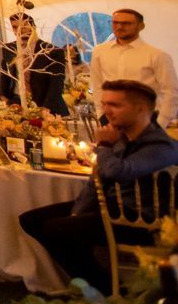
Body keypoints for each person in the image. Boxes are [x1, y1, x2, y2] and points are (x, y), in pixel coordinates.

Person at [19, 78, 178, 291]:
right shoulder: (122, 138)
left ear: (141, 109)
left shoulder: (162, 145)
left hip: (141, 221)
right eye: (105, 104)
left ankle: (106, 290)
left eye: (115, 105)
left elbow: (120, 172)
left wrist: (103, 146)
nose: (107, 111)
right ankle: (101, 284)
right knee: (31, 220)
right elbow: (97, 181)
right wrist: (77, 213)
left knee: (55, 229)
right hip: (111, 209)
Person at [90, 9, 178, 125]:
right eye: (115, 23)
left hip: (146, 119)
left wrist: (161, 123)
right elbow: (97, 85)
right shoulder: (100, 51)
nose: (119, 27)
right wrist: (101, 114)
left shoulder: (157, 55)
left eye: (126, 23)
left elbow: (171, 92)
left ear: (141, 26)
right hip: (111, 118)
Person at [0, 13, 71, 114]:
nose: (19, 30)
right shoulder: (8, 49)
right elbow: (4, 77)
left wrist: (46, 108)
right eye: (15, 27)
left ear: (33, 26)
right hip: (17, 104)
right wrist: (4, 99)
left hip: (46, 105)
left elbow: (57, 84)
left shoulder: (52, 51)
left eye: (23, 26)